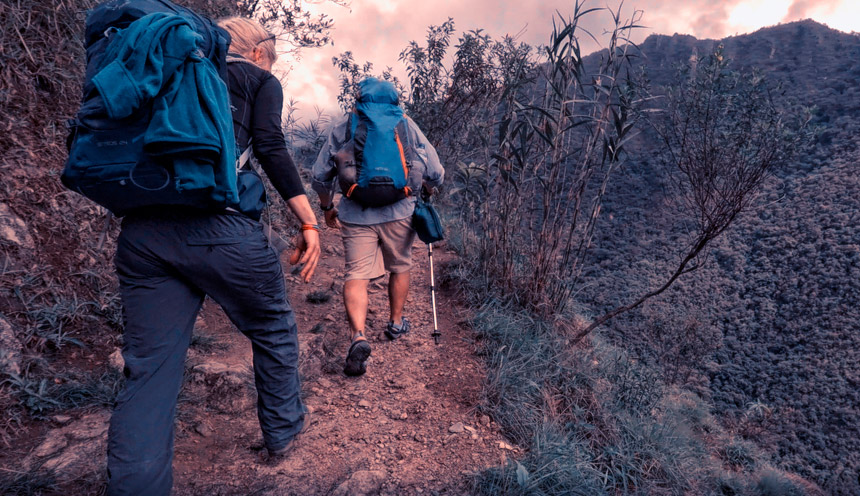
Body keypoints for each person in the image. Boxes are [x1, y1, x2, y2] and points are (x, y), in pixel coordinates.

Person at [106, 16, 319, 494]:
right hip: (221, 226)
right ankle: (282, 434)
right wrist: (308, 221)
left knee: (150, 369)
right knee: (271, 325)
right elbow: (269, 145)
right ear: (258, 51)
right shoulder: (259, 80)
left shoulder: (162, 64)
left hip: (143, 233)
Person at [312, 78, 444, 377]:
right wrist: (429, 190)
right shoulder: (406, 124)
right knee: (400, 265)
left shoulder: (345, 125)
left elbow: (320, 176)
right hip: (400, 210)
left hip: (356, 212)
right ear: (395, 100)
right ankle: (396, 323)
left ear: (358, 98)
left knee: (356, 274)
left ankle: (358, 335)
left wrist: (326, 207)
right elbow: (434, 171)